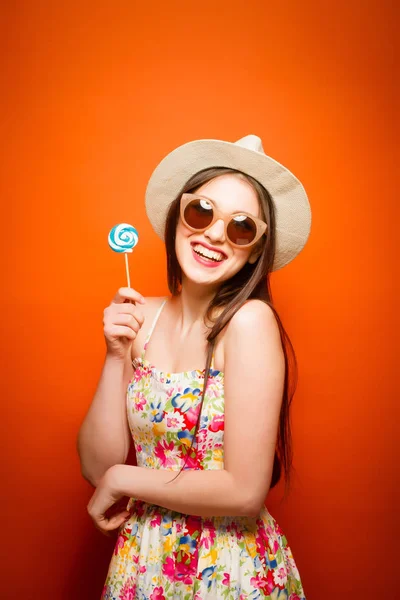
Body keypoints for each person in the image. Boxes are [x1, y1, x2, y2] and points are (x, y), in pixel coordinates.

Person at [77, 134, 311, 599]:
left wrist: (126, 478)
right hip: (140, 564)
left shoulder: (248, 322)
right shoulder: (142, 316)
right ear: (177, 216)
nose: (214, 235)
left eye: (241, 227)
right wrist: (115, 354)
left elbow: (245, 492)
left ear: (255, 249)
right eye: (202, 212)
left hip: (223, 568)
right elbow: (95, 465)